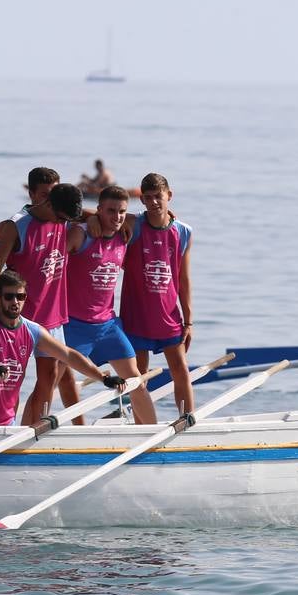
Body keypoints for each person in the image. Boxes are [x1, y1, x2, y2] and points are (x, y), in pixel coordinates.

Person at [0, 270, 126, 426]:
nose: (15, 302)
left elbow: (68, 355)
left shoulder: (32, 330)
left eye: (20, 297)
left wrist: (103, 378)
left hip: (5, 420)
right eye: (9, 296)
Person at [0, 181, 84, 423]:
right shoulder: (17, 225)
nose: (63, 223)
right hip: (21, 317)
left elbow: (89, 214)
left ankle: (37, 428)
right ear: (48, 203)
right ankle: (8, 428)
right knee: (11, 380)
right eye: (61, 218)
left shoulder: (63, 216)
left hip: (53, 315)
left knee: (50, 376)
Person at [63, 185, 159, 424]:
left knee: (136, 381)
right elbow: (59, 215)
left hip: (107, 326)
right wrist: (89, 217)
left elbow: (154, 216)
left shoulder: (124, 234)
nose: (117, 217)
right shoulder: (80, 234)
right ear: (99, 210)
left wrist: (169, 214)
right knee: (51, 381)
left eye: (122, 211)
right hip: (73, 325)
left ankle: (152, 434)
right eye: (110, 211)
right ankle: (36, 430)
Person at [119, 173, 194, 419]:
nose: (153, 202)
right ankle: (142, 428)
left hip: (168, 317)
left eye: (158, 197)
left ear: (169, 196)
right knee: (138, 377)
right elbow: (100, 213)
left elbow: (183, 280)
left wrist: (189, 321)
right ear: (141, 200)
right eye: (148, 197)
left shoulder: (183, 231)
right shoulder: (133, 224)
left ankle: (187, 421)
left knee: (180, 371)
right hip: (136, 316)